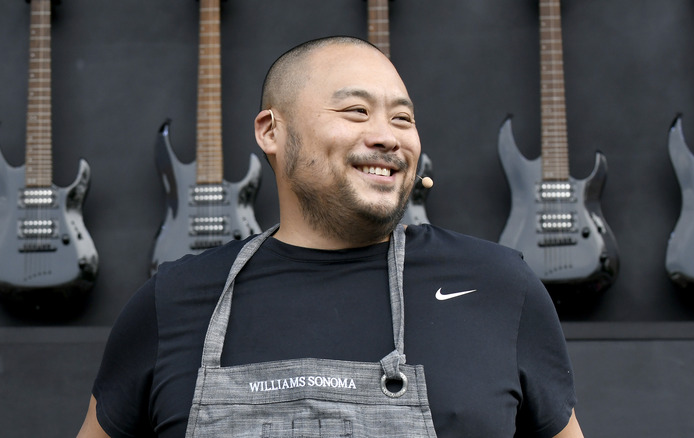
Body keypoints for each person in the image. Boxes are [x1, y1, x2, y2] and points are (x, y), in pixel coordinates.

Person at [78, 36, 583, 438]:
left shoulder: (497, 286)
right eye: (357, 112)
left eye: (402, 118)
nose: (388, 136)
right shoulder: (173, 300)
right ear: (271, 131)